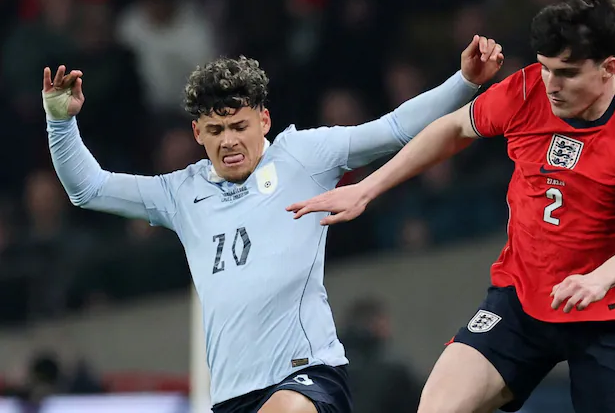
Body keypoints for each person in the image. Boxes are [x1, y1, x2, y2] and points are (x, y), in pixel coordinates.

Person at [41, 36, 504, 413]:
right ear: (197, 133)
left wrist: (464, 81)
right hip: (231, 396)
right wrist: (60, 122)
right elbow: (89, 188)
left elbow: (396, 128)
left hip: (307, 376)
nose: (229, 141)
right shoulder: (180, 193)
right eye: (216, 130)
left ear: (264, 120)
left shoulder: (304, 155)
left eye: (239, 126)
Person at [288, 0, 615, 413]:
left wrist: (598, 279)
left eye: (567, 73)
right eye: (545, 67)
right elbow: (453, 129)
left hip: (607, 313)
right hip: (520, 304)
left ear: (608, 68)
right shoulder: (527, 90)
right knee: (436, 407)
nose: (551, 85)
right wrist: (368, 188)